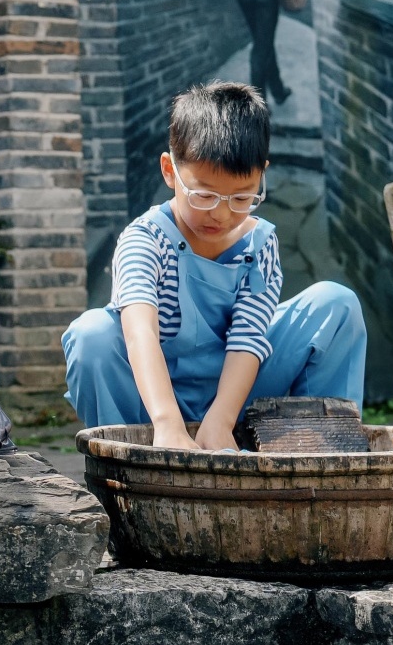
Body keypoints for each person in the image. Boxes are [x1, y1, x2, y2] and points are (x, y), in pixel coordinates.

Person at [60, 82, 363, 446]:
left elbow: (248, 339)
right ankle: (132, 460)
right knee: (90, 335)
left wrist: (221, 418)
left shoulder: (259, 243)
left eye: (241, 196)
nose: (221, 214)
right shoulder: (145, 240)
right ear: (170, 170)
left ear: (261, 175)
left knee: (336, 304)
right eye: (204, 195)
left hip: (238, 396)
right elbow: (140, 334)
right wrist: (168, 423)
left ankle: (315, 453)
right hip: (152, 402)